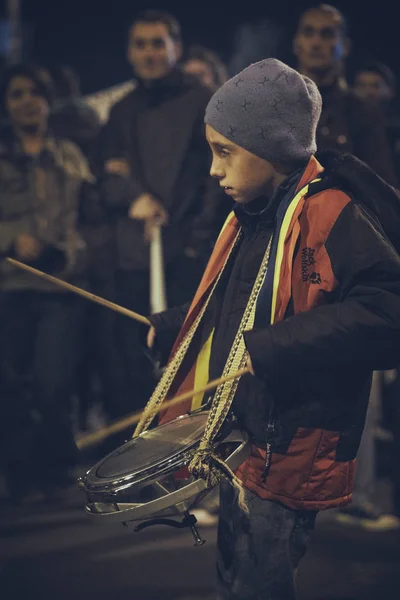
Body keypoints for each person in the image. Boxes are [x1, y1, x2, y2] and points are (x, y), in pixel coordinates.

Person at [143, 59, 400, 599]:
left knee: (262, 578)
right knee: (235, 572)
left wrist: (277, 345)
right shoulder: (257, 212)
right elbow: (240, 306)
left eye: (225, 152)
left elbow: (387, 312)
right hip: (246, 430)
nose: (215, 170)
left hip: (293, 438)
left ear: (273, 148)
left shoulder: (333, 214)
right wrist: (177, 329)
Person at [98, 10, 224, 417]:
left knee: (187, 366)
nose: (149, 53)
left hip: (188, 256)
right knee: (134, 364)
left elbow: (214, 183)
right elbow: (106, 171)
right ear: (129, 52)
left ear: (176, 48)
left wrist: (195, 246)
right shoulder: (121, 111)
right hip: (135, 253)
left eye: (158, 43)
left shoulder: (204, 102)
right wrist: (133, 194)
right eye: (141, 44)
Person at [0, 64, 92, 502]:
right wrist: (10, 239)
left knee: (54, 382)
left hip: (60, 288)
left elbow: (87, 217)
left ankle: (58, 467)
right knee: (11, 384)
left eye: (35, 92)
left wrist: (68, 252)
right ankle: (20, 471)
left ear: (48, 100)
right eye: (17, 94)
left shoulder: (71, 154)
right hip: (9, 288)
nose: (27, 101)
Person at [293, 3, 398, 186]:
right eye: (308, 33)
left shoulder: (364, 113)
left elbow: (382, 187)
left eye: (327, 34)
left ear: (345, 46)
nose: (316, 43)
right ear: (297, 44)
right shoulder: (276, 105)